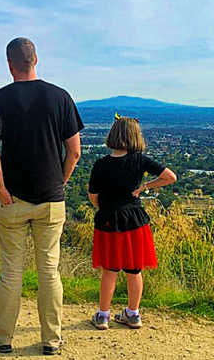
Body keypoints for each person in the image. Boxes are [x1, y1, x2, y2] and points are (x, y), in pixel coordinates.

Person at [0, 37, 83, 356]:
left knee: (11, 271)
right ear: (36, 59)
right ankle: (51, 339)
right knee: (49, 270)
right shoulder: (60, 97)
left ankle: (3, 337)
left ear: (9, 64)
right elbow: (75, 151)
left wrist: (1, 188)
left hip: (13, 200)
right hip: (51, 199)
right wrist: (60, 182)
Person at [88, 115, 177, 330]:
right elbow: (170, 177)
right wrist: (145, 186)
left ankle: (103, 316)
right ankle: (133, 314)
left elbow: (93, 196)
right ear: (135, 136)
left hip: (109, 220)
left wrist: (105, 209)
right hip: (135, 220)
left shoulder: (101, 163)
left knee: (110, 270)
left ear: (113, 135)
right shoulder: (140, 160)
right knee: (134, 270)